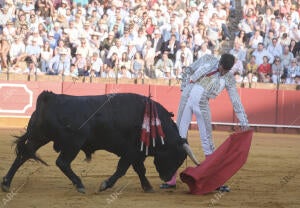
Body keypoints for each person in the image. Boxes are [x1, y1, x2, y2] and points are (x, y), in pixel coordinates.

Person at [160, 53, 249, 189]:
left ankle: (215, 180)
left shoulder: (229, 78)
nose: (222, 72)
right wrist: (184, 88)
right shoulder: (207, 59)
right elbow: (189, 69)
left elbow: (235, 100)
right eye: (222, 68)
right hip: (187, 97)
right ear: (219, 63)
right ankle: (171, 179)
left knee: (207, 140)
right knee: (178, 137)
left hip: (202, 103)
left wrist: (244, 121)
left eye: (226, 70)